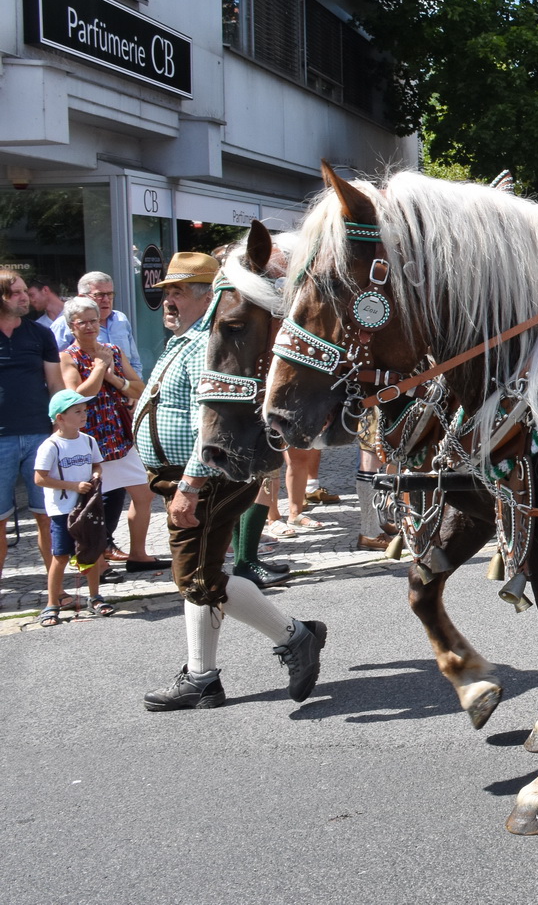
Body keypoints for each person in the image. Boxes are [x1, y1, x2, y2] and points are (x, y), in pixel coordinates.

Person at [136, 252, 326, 712]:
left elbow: (218, 422)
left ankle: (295, 636)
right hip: (182, 475)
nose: (168, 300)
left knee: (200, 578)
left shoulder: (213, 343)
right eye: (166, 291)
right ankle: (202, 677)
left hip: (205, 475)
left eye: (178, 291)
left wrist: (190, 485)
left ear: (208, 296)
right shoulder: (184, 338)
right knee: (205, 574)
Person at [58, 296, 165, 574]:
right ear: (72, 326)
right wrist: (98, 370)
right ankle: (96, 563)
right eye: (84, 322)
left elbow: (139, 388)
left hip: (118, 433)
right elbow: (76, 396)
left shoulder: (113, 351)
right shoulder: (68, 357)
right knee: (91, 503)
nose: (91, 326)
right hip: (89, 437)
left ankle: (138, 554)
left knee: (143, 493)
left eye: (95, 320)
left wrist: (113, 378)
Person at [33, 390, 125, 624]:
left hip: (86, 508)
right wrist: (72, 485)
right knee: (61, 556)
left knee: (90, 552)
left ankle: (95, 596)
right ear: (60, 418)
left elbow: (97, 466)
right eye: (77, 412)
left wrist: (95, 476)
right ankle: (52, 604)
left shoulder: (88, 440)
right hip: (62, 510)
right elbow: (40, 478)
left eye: (84, 411)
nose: (84, 415)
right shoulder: (51, 445)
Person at [0, 269, 62, 593]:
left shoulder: (40, 334)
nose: (25, 297)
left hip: (40, 435)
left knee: (47, 516)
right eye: (16, 293)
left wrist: (60, 425)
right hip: (0, 439)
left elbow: (55, 384)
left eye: (25, 291)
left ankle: (57, 591)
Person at [50, 271, 142, 375]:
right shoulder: (64, 325)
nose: (106, 300)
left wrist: (134, 386)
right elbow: (54, 368)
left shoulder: (120, 319)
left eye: (110, 294)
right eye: (99, 295)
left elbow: (135, 362)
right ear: (82, 297)